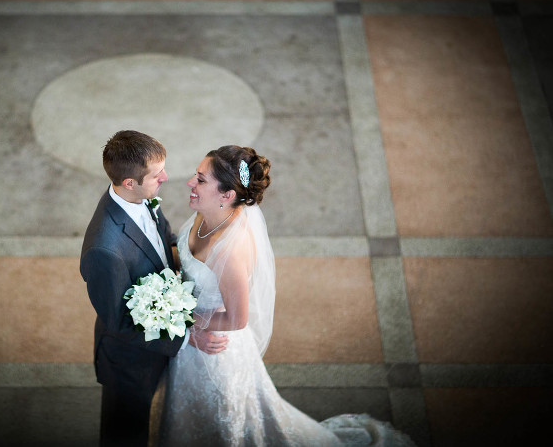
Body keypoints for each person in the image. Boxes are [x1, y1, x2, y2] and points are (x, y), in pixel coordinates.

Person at [157, 145, 416, 446]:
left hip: (214, 351)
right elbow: (185, 258)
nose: (190, 182)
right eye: (195, 175)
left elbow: (237, 318)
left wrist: (186, 323)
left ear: (227, 195)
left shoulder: (230, 251)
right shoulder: (205, 215)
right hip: (193, 338)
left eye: (200, 180)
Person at [80, 130, 228, 447]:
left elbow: (162, 239)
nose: (166, 177)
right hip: (130, 363)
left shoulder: (141, 198)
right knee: (124, 435)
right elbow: (120, 322)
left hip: (158, 338)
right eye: (156, 174)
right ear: (129, 183)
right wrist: (189, 335)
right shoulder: (104, 250)